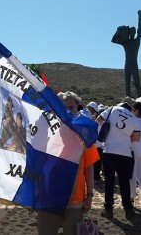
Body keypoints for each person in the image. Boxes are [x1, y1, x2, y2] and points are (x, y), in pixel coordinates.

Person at [37, 91, 99, 235]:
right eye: (62, 107)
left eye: (70, 107)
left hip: (75, 200)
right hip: (48, 198)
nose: (66, 111)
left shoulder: (84, 135)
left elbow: (89, 167)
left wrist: (89, 196)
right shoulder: (44, 133)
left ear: (77, 109)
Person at [96, 102, 141, 219]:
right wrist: (125, 137)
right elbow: (137, 137)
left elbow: (99, 120)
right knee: (124, 182)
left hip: (109, 151)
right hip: (125, 153)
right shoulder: (134, 118)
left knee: (109, 182)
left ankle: (108, 209)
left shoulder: (112, 109)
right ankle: (128, 209)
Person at [111, 10, 141, 97]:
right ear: (129, 33)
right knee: (127, 85)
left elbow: (140, 29)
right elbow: (113, 40)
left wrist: (139, 18)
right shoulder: (126, 42)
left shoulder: (137, 41)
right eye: (131, 32)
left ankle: (139, 100)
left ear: (135, 33)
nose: (132, 33)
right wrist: (118, 31)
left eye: (133, 32)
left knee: (137, 84)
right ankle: (127, 99)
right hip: (127, 65)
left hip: (134, 65)